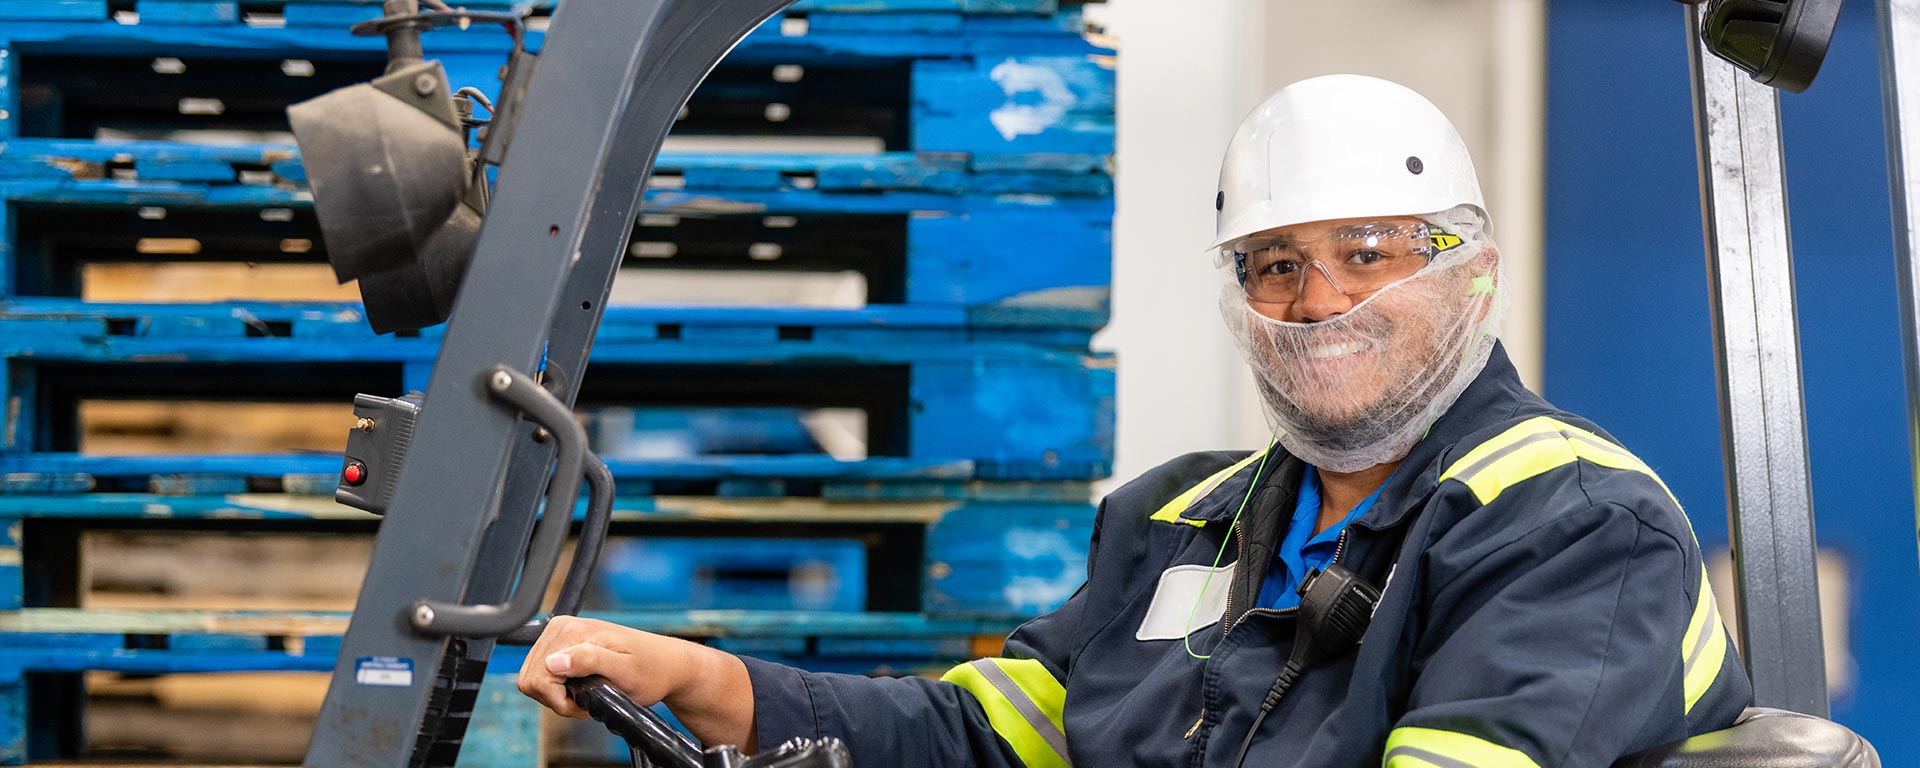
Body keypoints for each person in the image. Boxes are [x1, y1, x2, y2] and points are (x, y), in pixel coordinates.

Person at [519, 74, 1753, 768]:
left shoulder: (1574, 522)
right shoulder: (1185, 519)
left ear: (1468, 273)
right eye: (1272, 264)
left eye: (1366, 254)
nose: (1317, 302)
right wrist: (714, 682)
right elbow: (1000, 734)